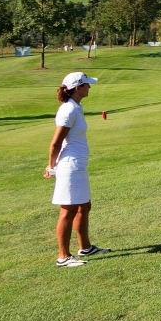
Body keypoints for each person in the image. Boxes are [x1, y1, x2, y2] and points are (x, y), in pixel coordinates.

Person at [44, 71, 107, 267]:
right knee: (68, 210)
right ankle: (63, 257)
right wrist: (51, 166)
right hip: (69, 166)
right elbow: (56, 143)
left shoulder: (76, 107)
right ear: (78, 88)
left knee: (84, 206)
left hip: (78, 165)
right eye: (87, 84)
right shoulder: (68, 110)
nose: (90, 87)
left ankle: (85, 247)